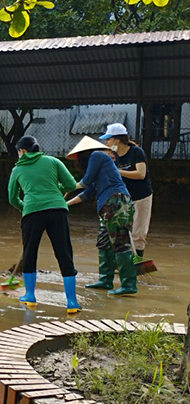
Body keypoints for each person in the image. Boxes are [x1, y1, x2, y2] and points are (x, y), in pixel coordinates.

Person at [7, 136, 81, 313]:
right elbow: (71, 184)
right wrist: (55, 190)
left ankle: (30, 296)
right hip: (58, 210)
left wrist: (25, 207)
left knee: (30, 252)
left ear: (23, 151)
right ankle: (72, 302)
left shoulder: (17, 169)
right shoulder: (53, 161)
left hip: (32, 212)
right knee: (64, 253)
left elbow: (12, 198)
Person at [66, 136, 137, 295]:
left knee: (120, 243)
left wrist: (68, 186)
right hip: (107, 206)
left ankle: (129, 284)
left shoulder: (97, 156)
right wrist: (66, 204)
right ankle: (105, 280)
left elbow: (84, 182)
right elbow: (87, 192)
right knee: (104, 243)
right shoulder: (98, 166)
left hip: (116, 202)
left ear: (83, 153)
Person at [100, 123, 153, 259]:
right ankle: (123, 263)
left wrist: (118, 172)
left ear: (117, 140)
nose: (106, 142)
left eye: (109, 139)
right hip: (123, 198)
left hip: (141, 197)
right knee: (121, 232)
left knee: (138, 233)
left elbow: (141, 174)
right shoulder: (113, 156)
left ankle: (138, 262)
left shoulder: (136, 152)